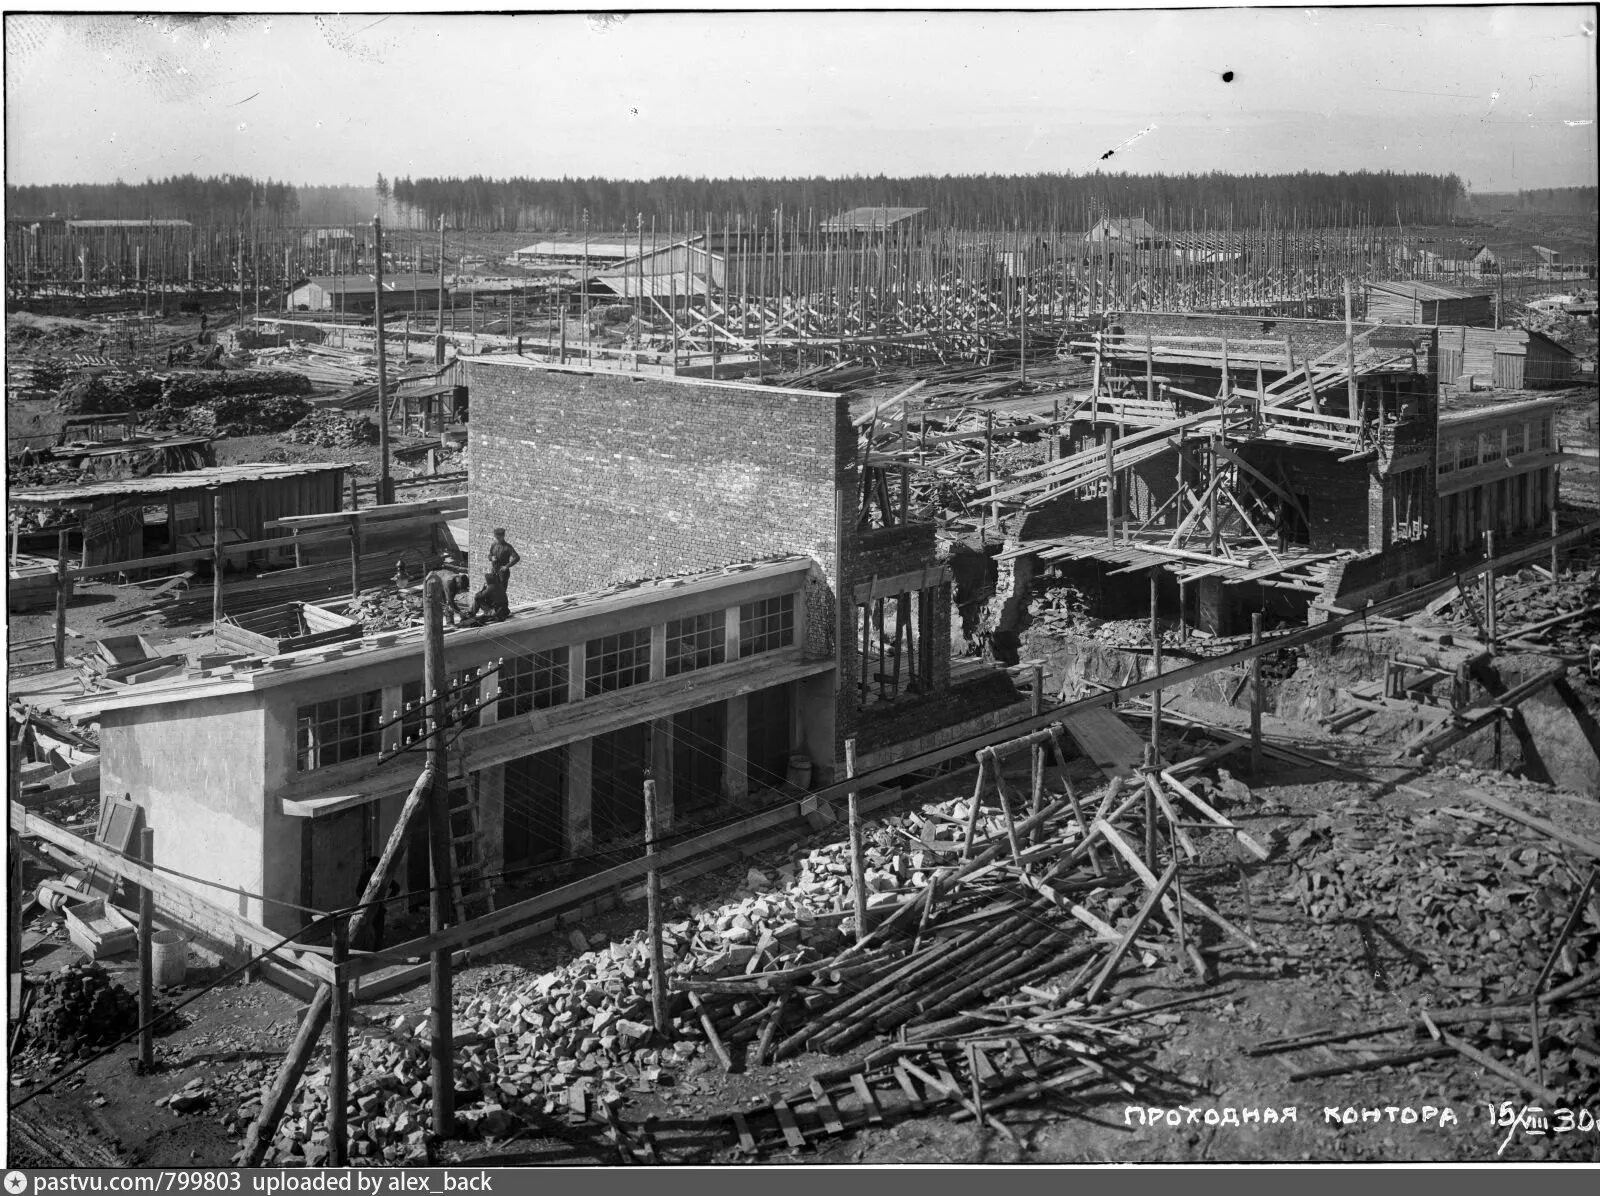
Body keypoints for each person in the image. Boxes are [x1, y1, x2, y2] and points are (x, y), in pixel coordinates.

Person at [355, 856, 400, 952]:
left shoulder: (368, 875)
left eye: (370, 866)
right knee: (375, 931)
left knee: (370, 931)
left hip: (369, 908)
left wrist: (365, 900)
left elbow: (358, 892)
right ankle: (375, 951)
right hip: (374, 907)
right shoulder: (377, 875)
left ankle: (371, 951)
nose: (369, 868)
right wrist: (386, 900)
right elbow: (396, 888)